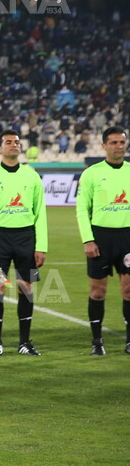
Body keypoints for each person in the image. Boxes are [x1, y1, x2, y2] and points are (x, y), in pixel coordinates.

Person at [0, 131, 47, 356]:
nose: (14, 145)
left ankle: (24, 342)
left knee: (25, 287)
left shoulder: (32, 176)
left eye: (17, 142)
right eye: (8, 142)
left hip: (26, 237)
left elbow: (40, 213)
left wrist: (41, 245)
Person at [76, 127, 130, 356]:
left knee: (129, 290)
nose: (119, 146)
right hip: (100, 238)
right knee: (98, 292)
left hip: (127, 238)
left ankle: (129, 341)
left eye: (122, 142)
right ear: (104, 146)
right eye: (114, 142)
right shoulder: (92, 173)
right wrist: (88, 240)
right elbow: (81, 209)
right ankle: (97, 340)